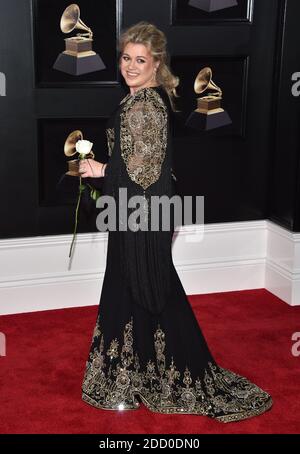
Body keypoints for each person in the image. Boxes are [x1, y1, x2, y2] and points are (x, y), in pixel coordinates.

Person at [79, 21, 272, 423]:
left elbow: (144, 174)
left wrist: (102, 171)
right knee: (137, 290)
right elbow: (139, 164)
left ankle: (158, 376)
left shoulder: (145, 104)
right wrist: (106, 170)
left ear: (156, 63)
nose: (130, 66)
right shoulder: (141, 100)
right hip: (139, 214)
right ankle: (134, 375)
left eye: (140, 60)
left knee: (147, 291)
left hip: (141, 216)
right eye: (126, 57)